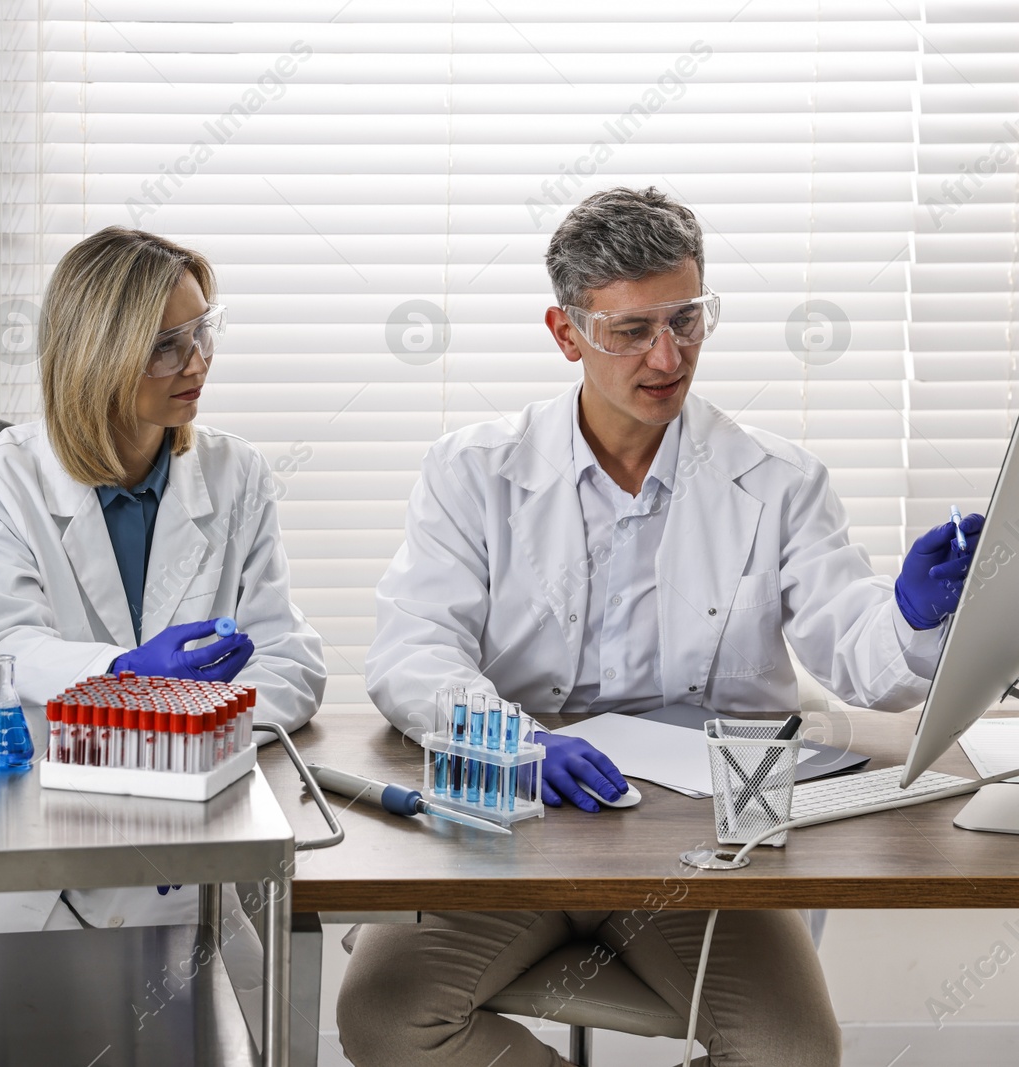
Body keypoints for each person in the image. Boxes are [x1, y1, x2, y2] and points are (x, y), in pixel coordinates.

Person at [340, 187, 982, 1067]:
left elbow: (863, 659)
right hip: (516, 825)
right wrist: (518, 743)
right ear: (567, 334)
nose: (667, 355)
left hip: (703, 845)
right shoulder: (474, 472)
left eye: (686, 319)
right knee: (386, 1018)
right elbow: (412, 650)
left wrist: (912, 615)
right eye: (631, 331)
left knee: (790, 1053)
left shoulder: (778, 481)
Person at [0, 225, 325, 939]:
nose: (199, 362)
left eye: (203, 332)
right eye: (165, 344)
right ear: (96, 354)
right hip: (12, 808)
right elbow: (3, 650)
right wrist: (120, 673)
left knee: (218, 1020)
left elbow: (291, 661)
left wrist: (186, 728)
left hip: (174, 820)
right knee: (5, 1021)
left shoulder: (236, 475)